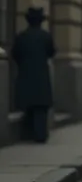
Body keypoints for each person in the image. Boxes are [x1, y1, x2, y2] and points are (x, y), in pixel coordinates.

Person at [12, 7, 56, 144]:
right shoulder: (46, 36)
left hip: (26, 74)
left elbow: (15, 54)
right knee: (41, 108)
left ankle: (28, 134)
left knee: (28, 105)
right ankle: (41, 135)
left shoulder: (21, 36)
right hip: (41, 75)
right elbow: (52, 52)